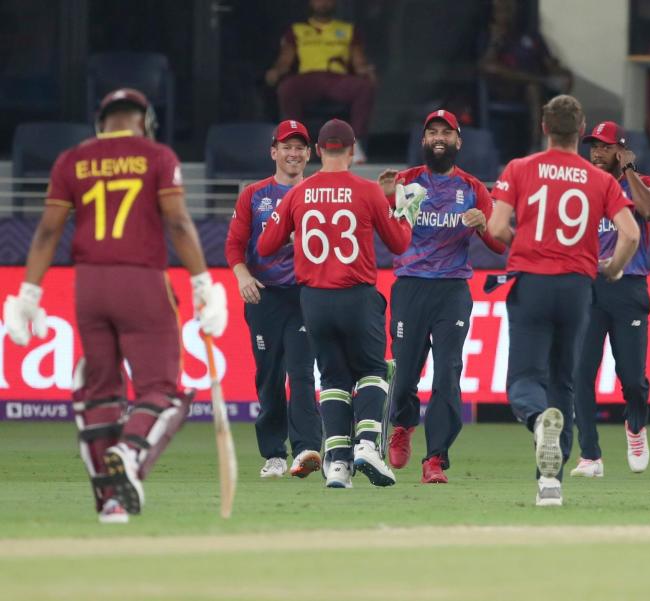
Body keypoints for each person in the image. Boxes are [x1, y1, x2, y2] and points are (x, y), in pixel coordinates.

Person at [3, 88, 228, 524]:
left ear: (100, 121)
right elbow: (178, 222)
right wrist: (203, 282)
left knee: (99, 391)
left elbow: (48, 233)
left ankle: (111, 502)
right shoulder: (157, 156)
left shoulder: (71, 160)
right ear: (143, 120)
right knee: (161, 389)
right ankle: (130, 451)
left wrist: (28, 293)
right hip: (141, 279)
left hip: (88, 284)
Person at [488, 95, 640, 507]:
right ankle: (550, 484)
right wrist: (612, 268)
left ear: (544, 126)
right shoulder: (600, 179)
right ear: (580, 127)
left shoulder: (520, 169)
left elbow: (496, 225)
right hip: (577, 288)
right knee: (564, 383)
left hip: (532, 283)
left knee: (523, 379)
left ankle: (538, 423)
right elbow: (631, 234)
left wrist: (523, 245)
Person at [258, 118, 412, 489]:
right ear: (353, 148)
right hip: (356, 295)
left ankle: (338, 463)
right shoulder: (368, 191)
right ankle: (366, 446)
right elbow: (400, 244)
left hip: (313, 300)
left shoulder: (299, 192)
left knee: (332, 379)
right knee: (373, 371)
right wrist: (403, 207)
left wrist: (297, 233)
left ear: (318, 150)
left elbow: (264, 247)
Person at [376, 110, 506, 483]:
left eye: (446, 133)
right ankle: (402, 424)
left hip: (452, 290)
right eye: (432, 132)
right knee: (402, 376)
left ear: (457, 142)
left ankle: (435, 457)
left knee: (448, 373)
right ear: (423, 140)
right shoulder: (405, 182)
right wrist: (385, 199)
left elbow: (499, 244)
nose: (438, 138)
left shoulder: (473, 188)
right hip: (410, 285)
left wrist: (484, 225)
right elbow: (383, 231)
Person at [224, 120, 324, 480]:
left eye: (300, 147)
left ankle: (307, 449)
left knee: (300, 372)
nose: (293, 153)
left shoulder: (317, 194)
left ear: (309, 154)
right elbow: (234, 244)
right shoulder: (254, 194)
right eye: (287, 146)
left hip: (303, 295)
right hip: (263, 295)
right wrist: (242, 275)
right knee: (268, 376)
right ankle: (274, 454)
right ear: (274, 152)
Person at [570, 121, 650, 479]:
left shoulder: (644, 184)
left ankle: (635, 426)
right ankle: (590, 456)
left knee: (633, 379)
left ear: (621, 151)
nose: (596, 152)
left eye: (606, 147)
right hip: (587, 287)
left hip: (628, 286)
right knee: (581, 375)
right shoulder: (581, 186)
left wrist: (628, 171)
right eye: (593, 145)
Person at [265, 0, 375, 163]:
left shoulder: (347, 30)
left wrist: (366, 71)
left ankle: (355, 143)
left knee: (364, 87)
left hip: (337, 79)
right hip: (308, 79)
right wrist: (276, 71)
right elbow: (285, 61)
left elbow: (359, 62)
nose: (323, 3)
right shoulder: (297, 30)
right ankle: (298, 143)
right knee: (287, 87)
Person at [480, 0, 574, 155]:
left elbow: (549, 64)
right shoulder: (490, 35)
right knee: (528, 85)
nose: (506, 14)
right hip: (504, 88)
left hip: (533, 87)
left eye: (509, 9)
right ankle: (536, 145)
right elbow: (486, 66)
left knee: (539, 87)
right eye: (501, 10)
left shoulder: (530, 36)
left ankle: (548, 142)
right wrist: (495, 42)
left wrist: (561, 72)